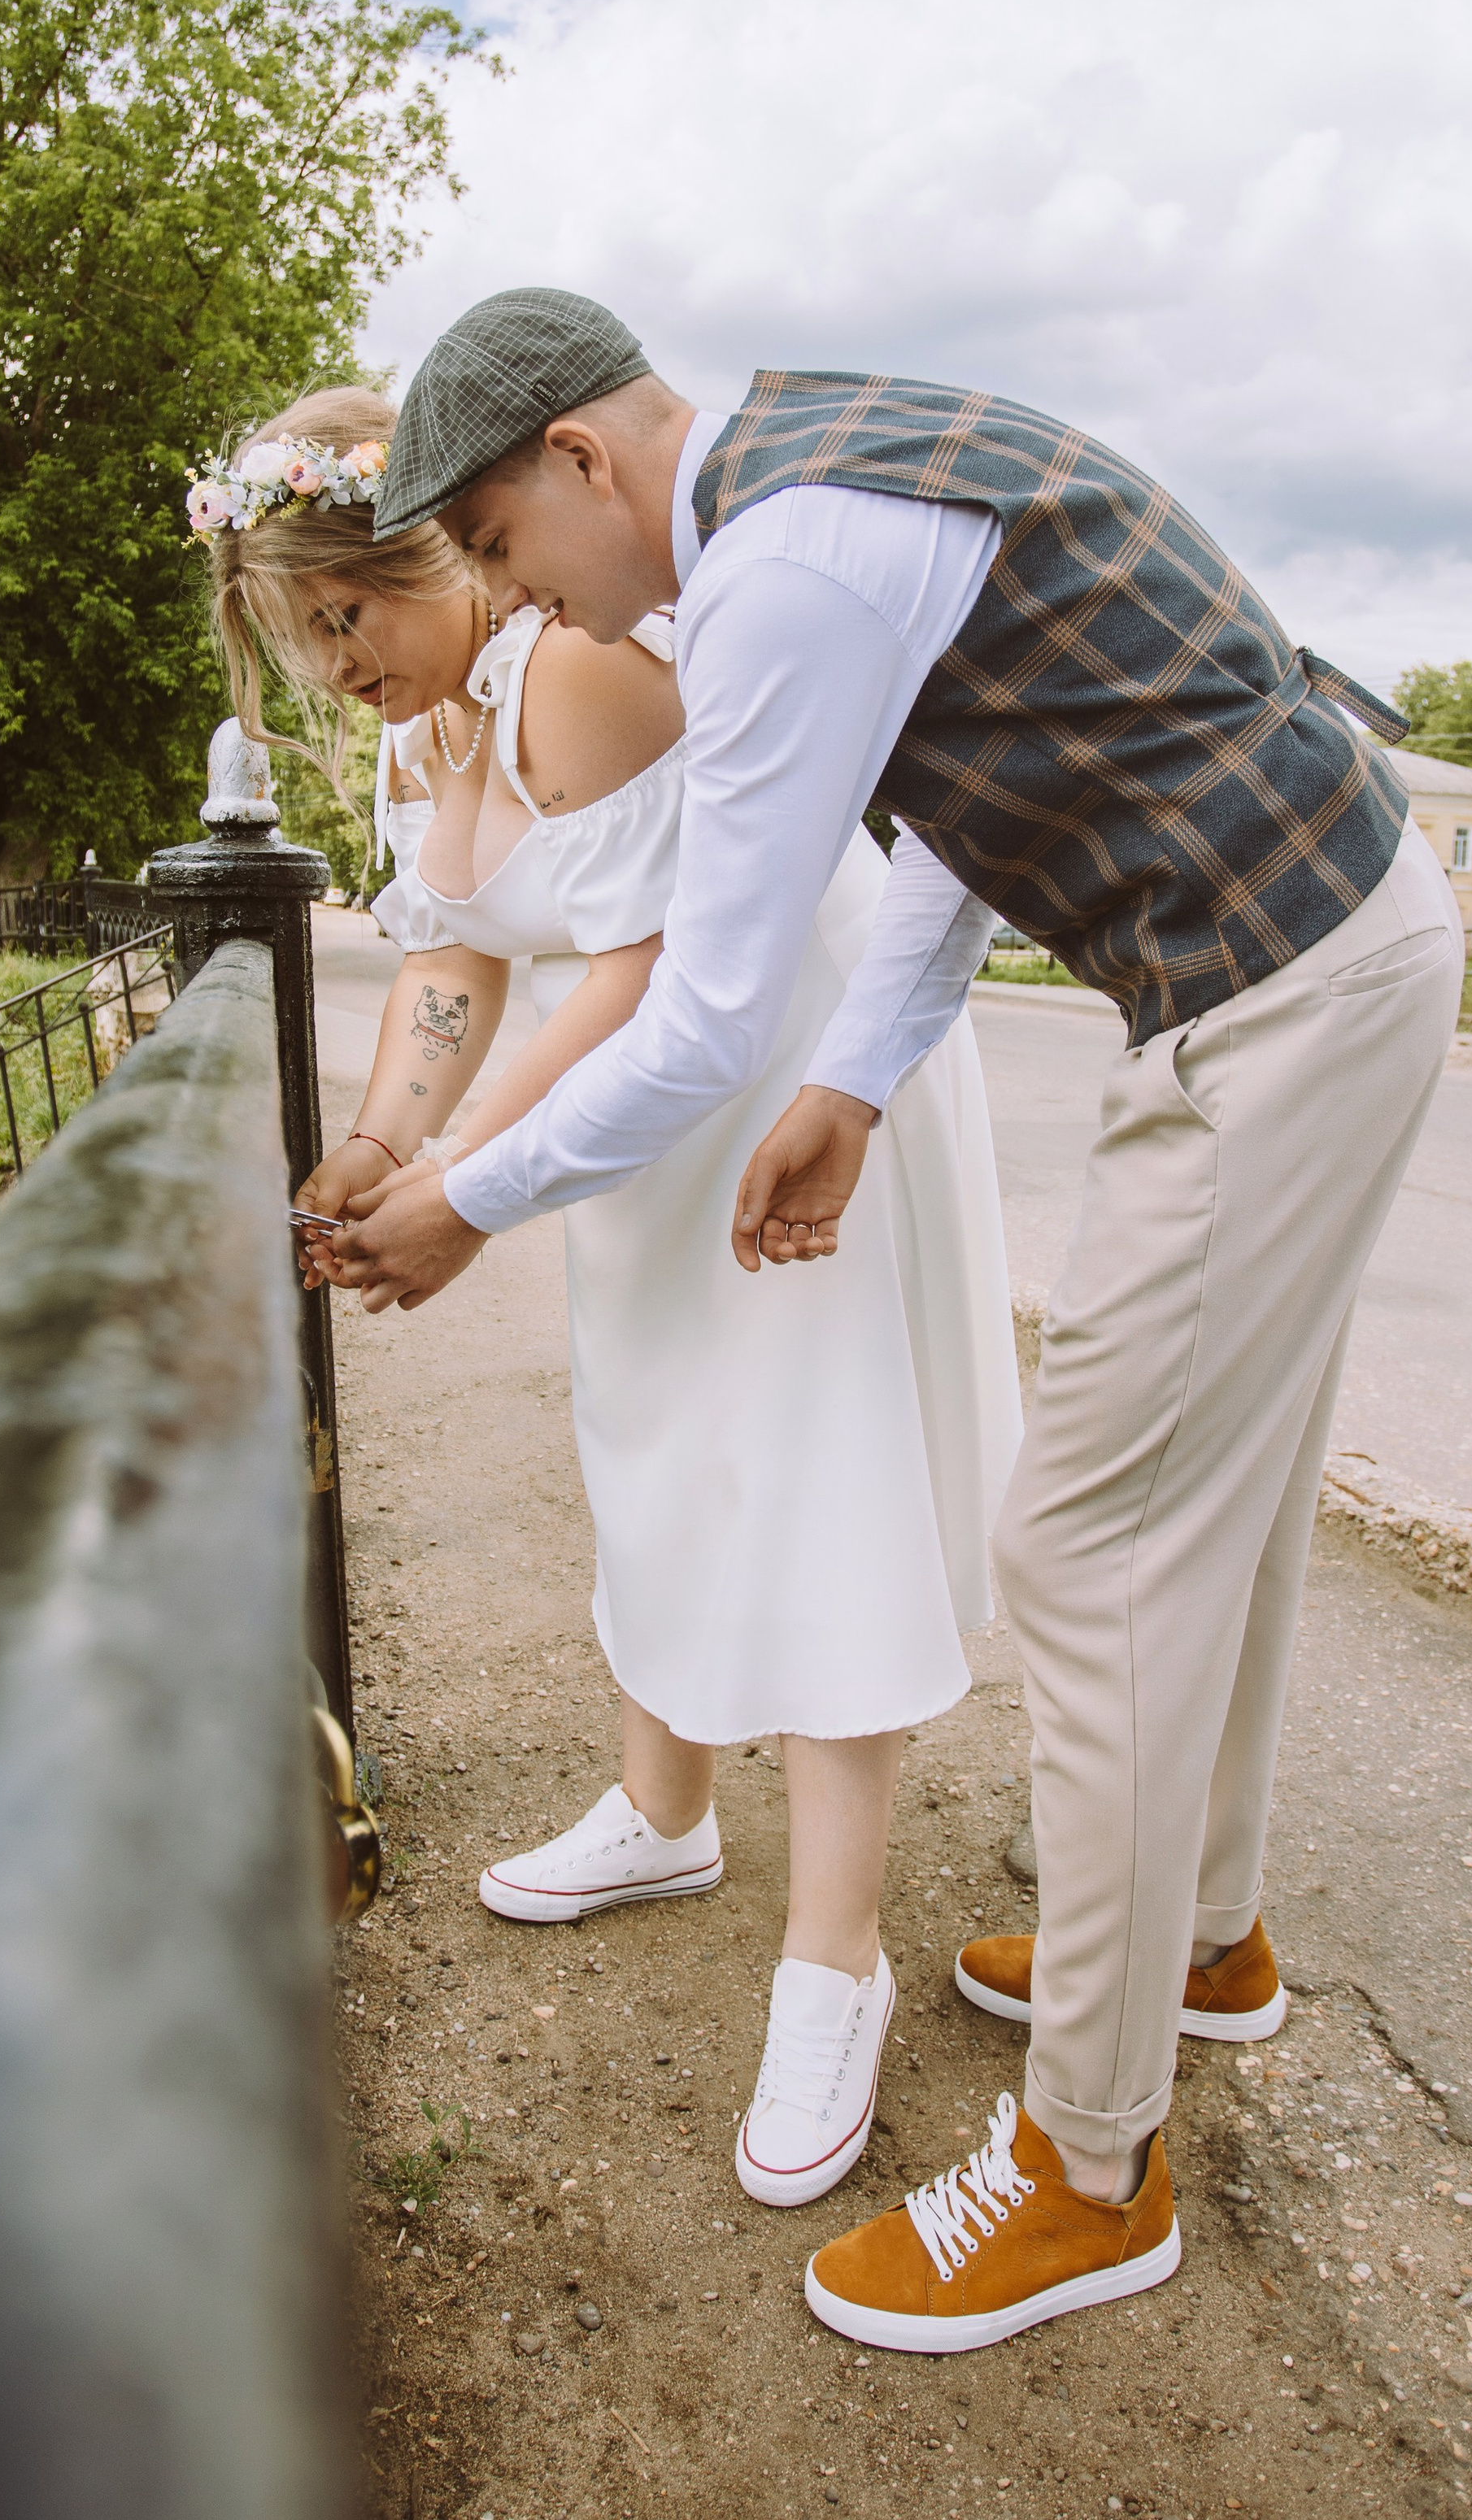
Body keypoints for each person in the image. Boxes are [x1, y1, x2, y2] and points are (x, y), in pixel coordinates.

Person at [330, 290, 1463, 2356]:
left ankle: (1084, 2167)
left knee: (1097, 1553)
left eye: (497, 546)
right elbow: (952, 808)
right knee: (1235, 1494)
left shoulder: (767, 571)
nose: (513, 599)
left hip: (1278, 980)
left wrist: (461, 1207)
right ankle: (1200, 1940)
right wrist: (849, 1083)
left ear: (582, 460)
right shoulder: (833, 471)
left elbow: (690, 1014)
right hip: (1294, 952)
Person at [194, 385, 1022, 2213]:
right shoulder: (426, 733)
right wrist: (378, 1142)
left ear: (445, 552)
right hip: (627, 1109)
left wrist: (461, 1175)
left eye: (352, 608)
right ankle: (660, 1812)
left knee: (814, 1478)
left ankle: (834, 1956)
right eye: (295, 627)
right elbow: (457, 959)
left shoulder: (570, 674)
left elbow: (649, 963)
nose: (334, 659)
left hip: (774, 1072)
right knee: (645, 1436)